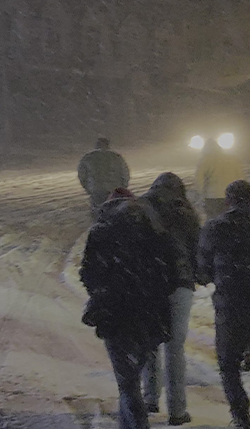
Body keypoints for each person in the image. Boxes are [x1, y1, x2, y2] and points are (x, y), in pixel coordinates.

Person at [81, 187, 178, 429]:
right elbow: (171, 272)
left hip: (115, 315)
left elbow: (88, 273)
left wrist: (103, 291)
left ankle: (137, 424)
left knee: (128, 383)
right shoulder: (155, 231)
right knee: (134, 374)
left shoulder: (101, 232)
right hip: (150, 313)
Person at [139, 173, 200, 426]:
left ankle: (150, 398)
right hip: (180, 285)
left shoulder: (140, 209)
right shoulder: (186, 212)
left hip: (150, 286)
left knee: (149, 343)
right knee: (175, 348)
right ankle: (177, 411)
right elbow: (198, 249)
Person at [196, 179, 250, 429]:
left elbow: (203, 271)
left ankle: (240, 414)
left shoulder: (216, 227)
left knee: (228, 364)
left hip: (231, 304)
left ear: (228, 200)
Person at [78, 137, 131, 219]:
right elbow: (125, 173)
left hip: (95, 188)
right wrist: (123, 187)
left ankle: (97, 225)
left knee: (97, 210)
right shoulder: (116, 157)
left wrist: (87, 187)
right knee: (113, 210)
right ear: (108, 145)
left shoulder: (88, 157)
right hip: (114, 189)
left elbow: (82, 175)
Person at [196, 141, 245, 219]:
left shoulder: (205, 160)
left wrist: (201, 196)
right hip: (232, 196)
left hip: (213, 197)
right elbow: (240, 177)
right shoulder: (233, 159)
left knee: (214, 222)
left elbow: (199, 180)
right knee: (232, 220)